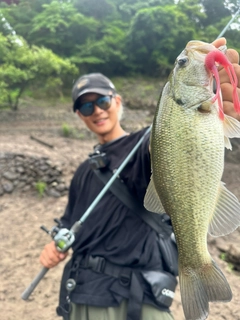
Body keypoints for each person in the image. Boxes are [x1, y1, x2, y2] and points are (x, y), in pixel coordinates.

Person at [39, 37, 240, 320]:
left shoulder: (146, 143)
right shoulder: (84, 170)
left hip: (135, 300)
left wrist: (216, 97)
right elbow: (71, 218)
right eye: (86, 107)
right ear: (79, 115)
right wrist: (56, 242)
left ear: (117, 101)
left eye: (102, 100)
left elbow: (158, 151)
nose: (96, 110)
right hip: (79, 297)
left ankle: (196, 262)